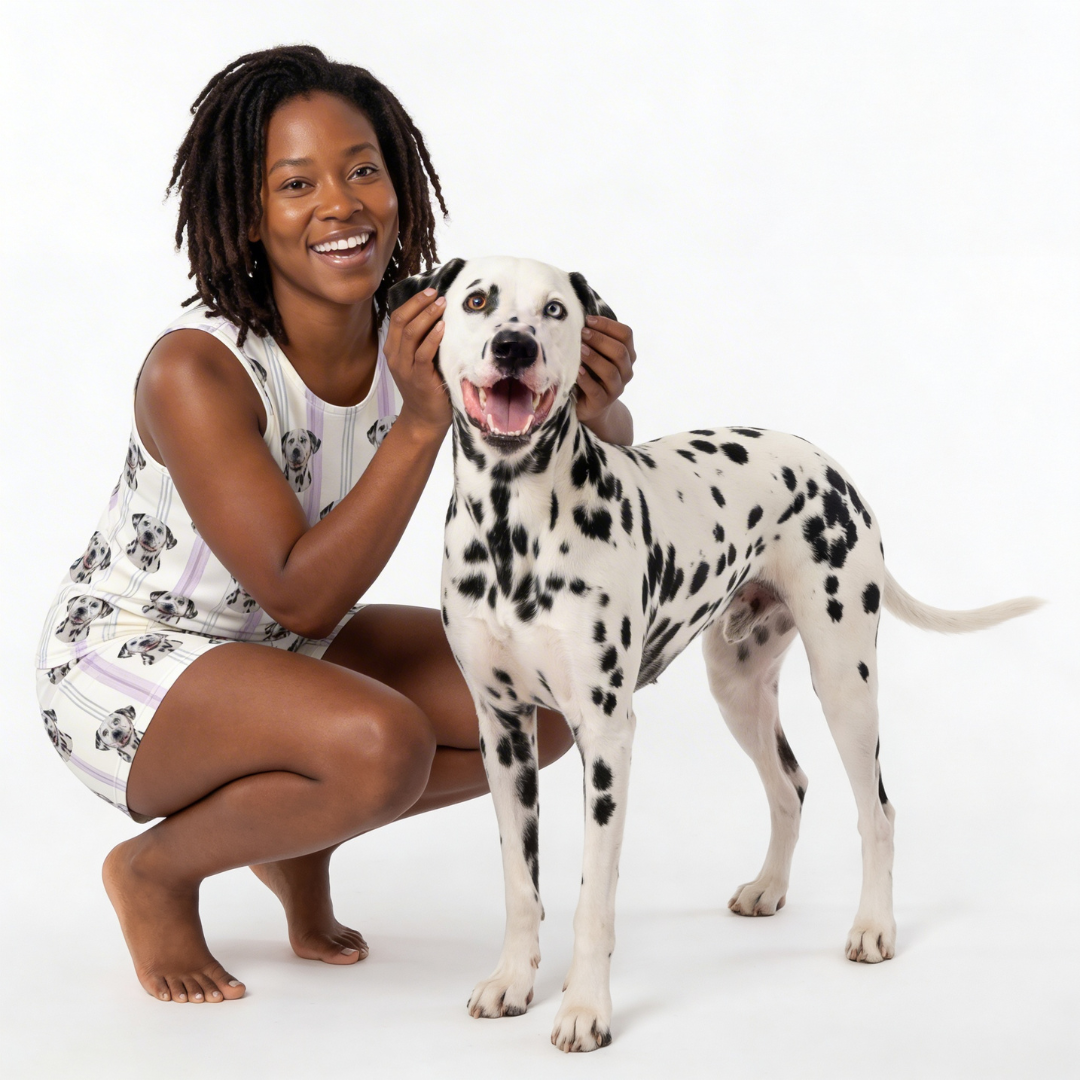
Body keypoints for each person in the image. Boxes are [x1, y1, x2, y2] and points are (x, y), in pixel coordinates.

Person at [35, 45, 636, 1005]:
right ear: (244, 213)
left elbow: (574, 459)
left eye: (363, 169)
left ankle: (295, 838)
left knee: (542, 708)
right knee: (380, 746)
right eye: (295, 183)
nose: (342, 203)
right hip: (134, 667)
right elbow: (300, 587)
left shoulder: (433, 327)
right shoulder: (196, 372)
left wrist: (596, 402)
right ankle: (155, 873)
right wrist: (423, 419)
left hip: (283, 651)